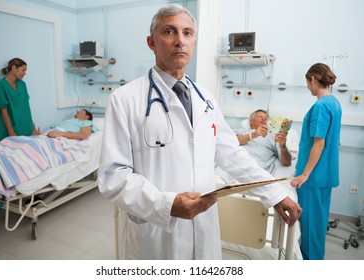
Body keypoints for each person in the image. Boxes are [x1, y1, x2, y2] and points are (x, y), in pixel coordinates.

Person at [98, 4, 302, 260]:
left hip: (203, 227)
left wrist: (274, 193)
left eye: (187, 33)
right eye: (169, 32)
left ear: (194, 42)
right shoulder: (125, 99)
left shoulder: (205, 98)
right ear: (152, 42)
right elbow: (112, 177)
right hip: (155, 231)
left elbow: (232, 155)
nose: (179, 41)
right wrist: (167, 205)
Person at [290, 63, 342, 260]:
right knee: (318, 223)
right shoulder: (334, 103)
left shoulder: (320, 106)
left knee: (311, 226)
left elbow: (318, 144)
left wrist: (304, 174)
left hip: (313, 176)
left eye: (307, 82)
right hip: (325, 173)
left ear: (313, 79)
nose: (307, 87)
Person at [0, 58, 40, 141]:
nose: (25, 73)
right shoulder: (1, 86)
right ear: (14, 68)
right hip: (9, 131)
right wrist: (11, 132)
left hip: (25, 129)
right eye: (23, 70)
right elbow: (3, 110)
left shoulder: (22, 84)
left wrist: (33, 128)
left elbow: (26, 107)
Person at [235, 109, 292, 176]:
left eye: (265, 118)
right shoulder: (240, 131)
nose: (263, 119)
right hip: (235, 164)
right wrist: (253, 135)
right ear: (251, 121)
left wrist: (283, 146)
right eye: (260, 117)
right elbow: (231, 142)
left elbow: (287, 163)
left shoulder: (273, 137)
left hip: (254, 171)